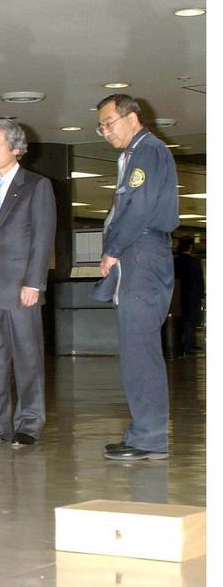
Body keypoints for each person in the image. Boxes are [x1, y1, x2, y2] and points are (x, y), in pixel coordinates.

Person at [95, 94, 179, 461]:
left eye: (110, 122)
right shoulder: (132, 155)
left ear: (132, 117)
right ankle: (142, 432)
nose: (105, 132)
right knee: (134, 349)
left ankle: (149, 437)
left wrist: (112, 249)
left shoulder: (147, 152)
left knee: (140, 349)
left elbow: (138, 207)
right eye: (101, 127)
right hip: (137, 253)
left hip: (142, 254)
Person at [0, 119, 55, 447]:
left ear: (16, 148)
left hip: (21, 289)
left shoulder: (36, 186)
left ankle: (29, 424)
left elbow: (43, 239)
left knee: (28, 358)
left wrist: (34, 283)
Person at [173, 237, 203, 356]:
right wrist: (201, 295)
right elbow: (199, 281)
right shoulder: (194, 262)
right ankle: (189, 345)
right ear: (190, 247)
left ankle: (177, 344)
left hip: (176, 296)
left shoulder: (175, 261)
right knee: (190, 320)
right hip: (192, 295)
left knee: (178, 321)